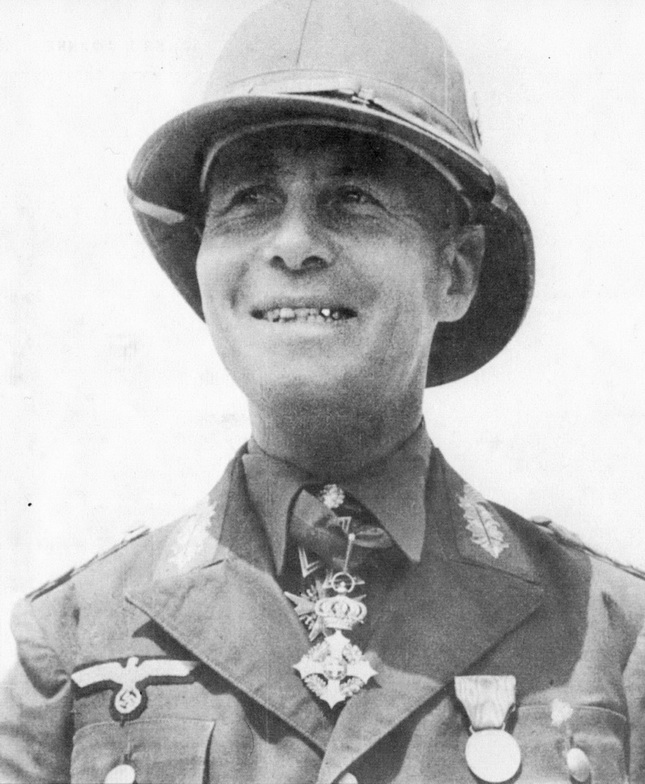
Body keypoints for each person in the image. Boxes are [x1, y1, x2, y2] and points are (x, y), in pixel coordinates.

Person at [2, 0, 644, 782]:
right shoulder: (76, 640)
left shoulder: (607, 632)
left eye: (352, 199)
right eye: (249, 202)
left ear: (455, 271)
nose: (293, 244)